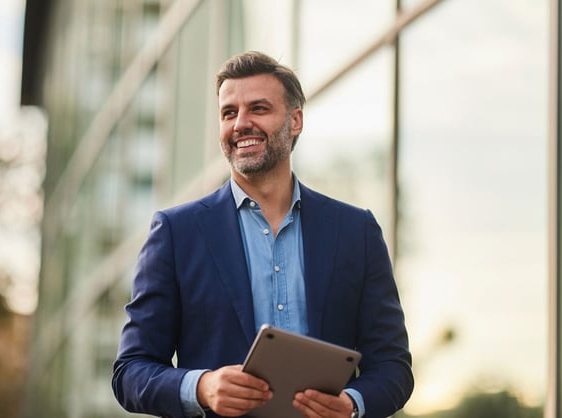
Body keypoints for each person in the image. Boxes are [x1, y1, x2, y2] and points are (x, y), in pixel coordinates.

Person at [112, 51, 413, 418]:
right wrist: (202, 387)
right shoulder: (176, 233)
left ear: (295, 120)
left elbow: (393, 366)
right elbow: (131, 371)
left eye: (258, 109)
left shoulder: (356, 231)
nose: (240, 124)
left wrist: (352, 405)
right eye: (228, 113)